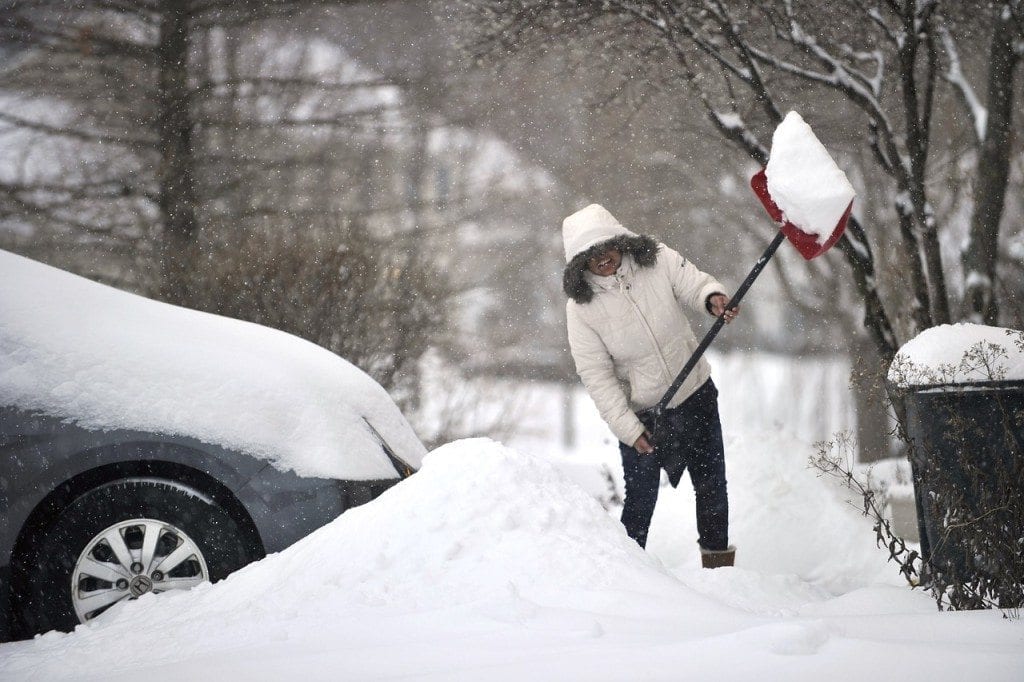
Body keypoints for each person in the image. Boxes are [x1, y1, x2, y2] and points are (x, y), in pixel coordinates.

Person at [562, 203, 738, 568]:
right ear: (580, 264)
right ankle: (627, 579)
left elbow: (694, 284)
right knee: (640, 503)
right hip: (644, 417)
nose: (603, 260)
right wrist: (629, 429)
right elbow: (597, 376)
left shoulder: (655, 260)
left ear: (619, 241)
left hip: (695, 393)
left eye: (606, 249)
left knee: (712, 489)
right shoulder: (581, 309)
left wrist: (713, 299)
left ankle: (720, 575)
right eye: (591, 257)